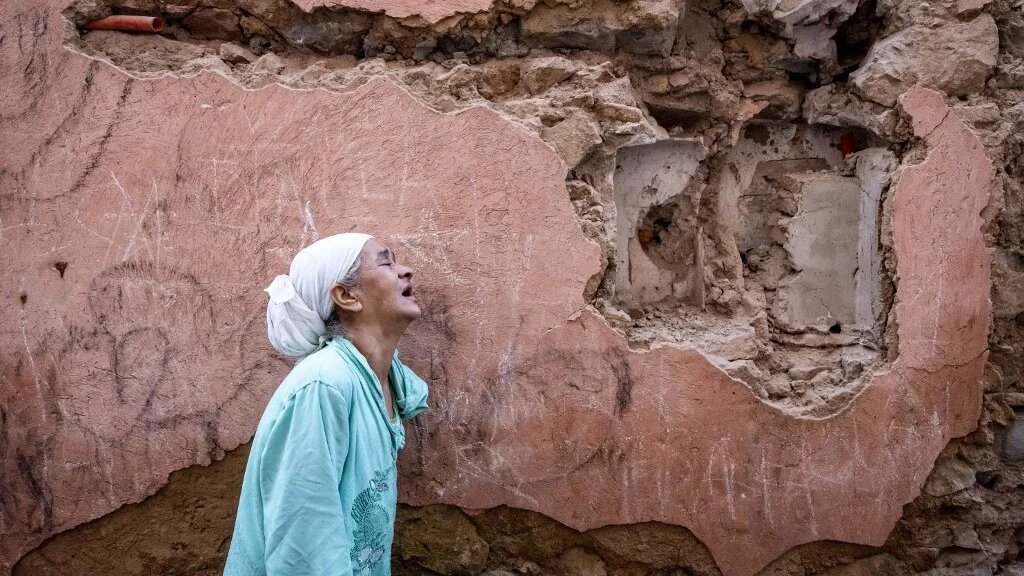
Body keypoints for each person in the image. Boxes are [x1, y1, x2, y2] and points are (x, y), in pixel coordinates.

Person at [223, 232, 429, 576]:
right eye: (386, 262)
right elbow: (304, 544)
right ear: (346, 296)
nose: (405, 270)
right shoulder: (324, 384)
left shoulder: (383, 380)